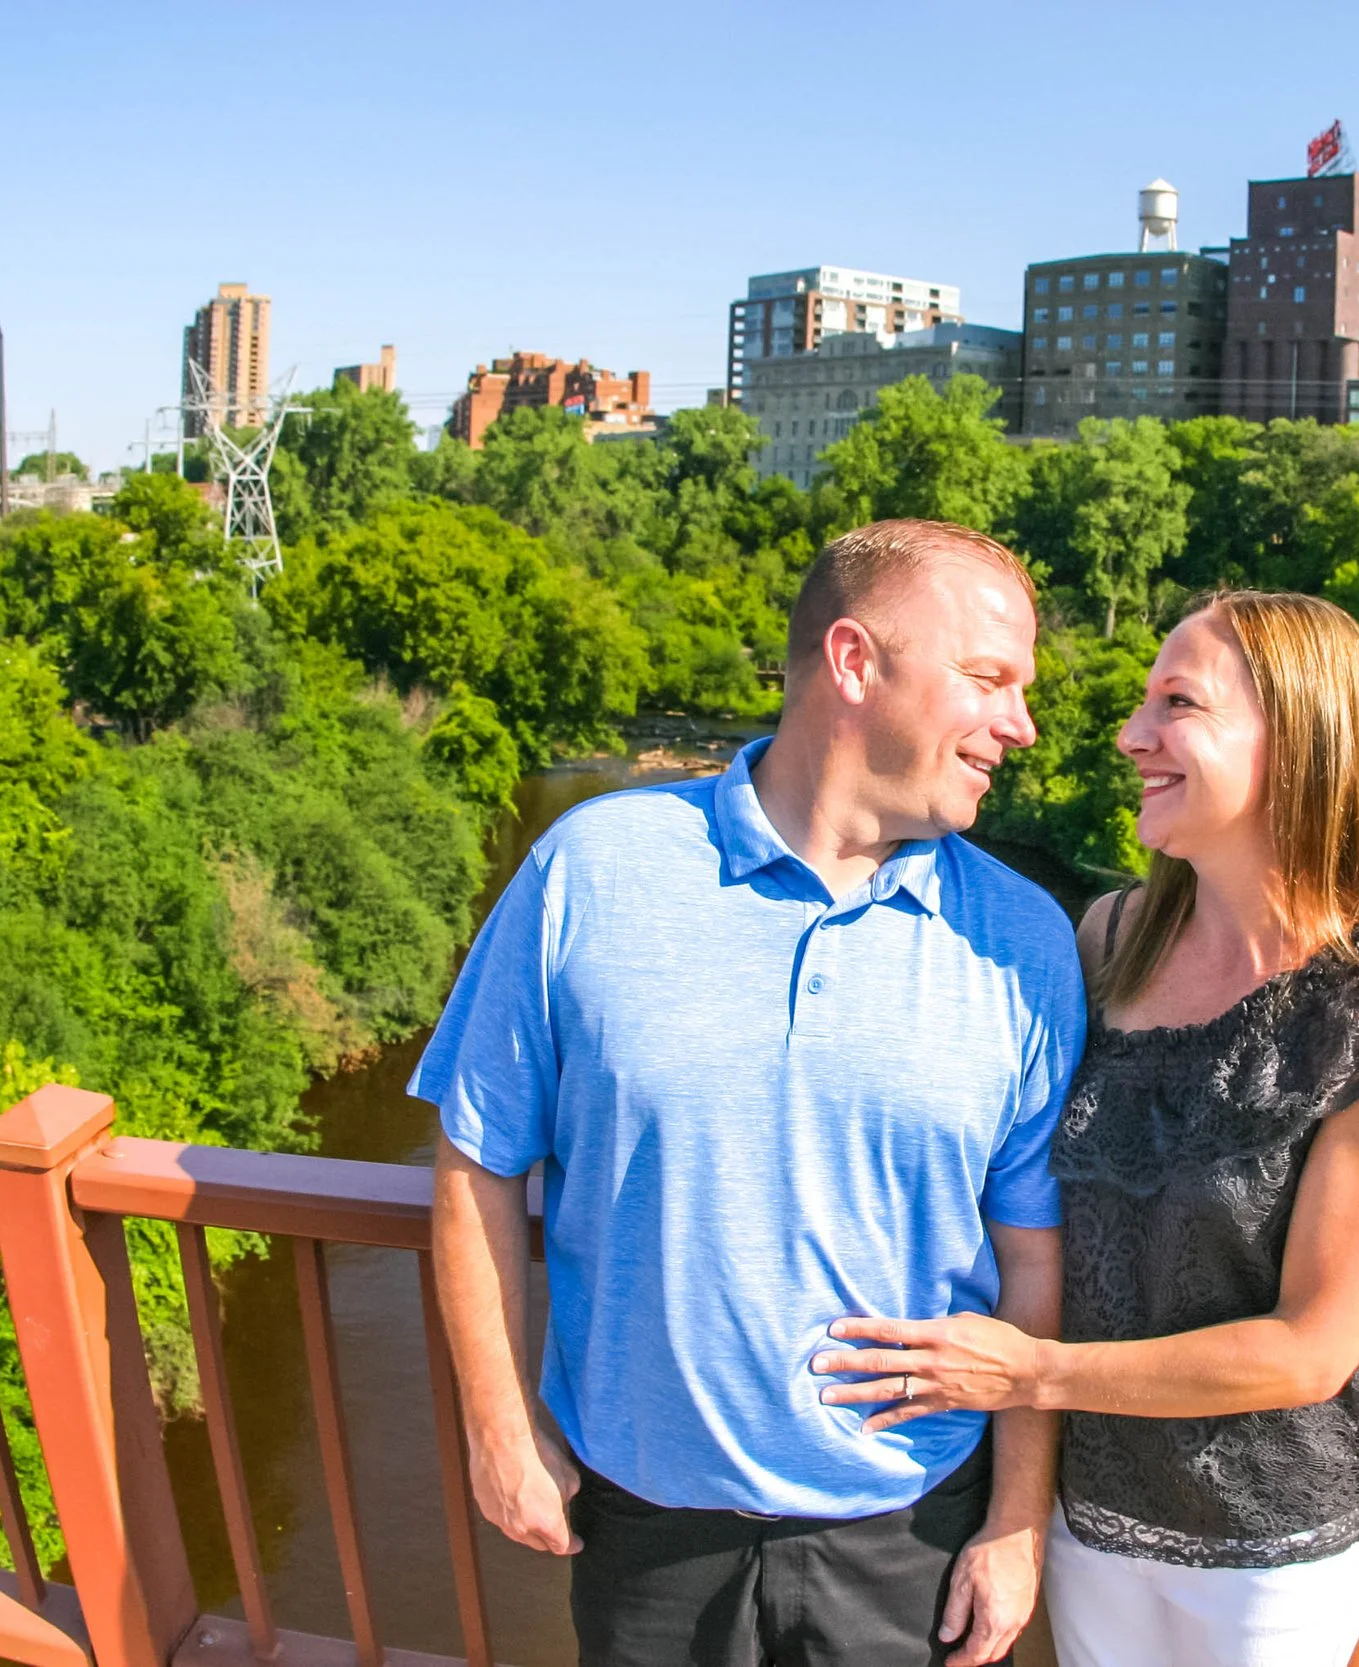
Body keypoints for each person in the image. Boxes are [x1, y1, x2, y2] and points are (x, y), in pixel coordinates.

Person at [419, 519, 1085, 1667]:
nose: (1020, 725)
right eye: (989, 680)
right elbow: (478, 1155)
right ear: (853, 662)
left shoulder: (1025, 939)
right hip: (641, 1532)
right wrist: (495, 1421)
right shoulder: (591, 867)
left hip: (914, 1530)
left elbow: (1032, 1257)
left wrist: (1017, 1520)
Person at [812, 590, 1359, 1667]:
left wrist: (1027, 1374)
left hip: (1266, 1548)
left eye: (1178, 703)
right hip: (1089, 1512)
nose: (1130, 735)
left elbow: (1309, 1348)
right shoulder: (1109, 937)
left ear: (1297, 739)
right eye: (1142, 702)